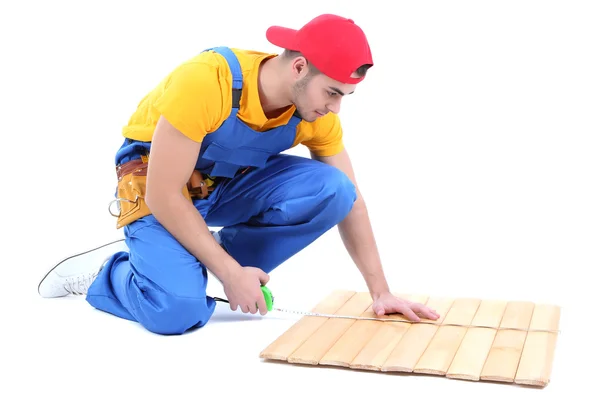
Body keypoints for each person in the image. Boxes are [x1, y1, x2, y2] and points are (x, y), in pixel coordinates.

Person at [38, 14, 440, 335]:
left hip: (227, 185)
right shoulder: (206, 81)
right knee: (177, 313)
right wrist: (230, 273)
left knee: (335, 189)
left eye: (345, 96)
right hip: (158, 185)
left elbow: (352, 202)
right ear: (299, 66)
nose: (336, 108)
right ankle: (112, 274)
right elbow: (163, 194)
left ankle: (193, 262)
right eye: (332, 92)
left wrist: (380, 291)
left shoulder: (314, 116)